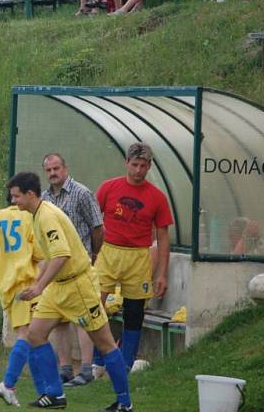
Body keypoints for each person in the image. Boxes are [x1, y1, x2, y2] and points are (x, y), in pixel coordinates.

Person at [8, 172, 133, 411]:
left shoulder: (46, 217)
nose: (13, 201)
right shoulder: (36, 215)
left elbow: (62, 255)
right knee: (35, 334)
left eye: (16, 196)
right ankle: (56, 395)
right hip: (59, 287)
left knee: (105, 344)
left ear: (30, 194)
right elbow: (49, 258)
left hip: (78, 286)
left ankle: (125, 403)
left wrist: (39, 287)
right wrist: (37, 281)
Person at [94, 143, 174, 373]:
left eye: (143, 166)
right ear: (126, 163)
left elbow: (163, 236)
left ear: (149, 166)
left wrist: (161, 274)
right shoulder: (109, 188)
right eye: (135, 164)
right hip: (108, 251)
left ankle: (125, 364)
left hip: (139, 256)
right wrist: (91, 250)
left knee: (134, 311)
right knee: (94, 305)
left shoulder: (157, 197)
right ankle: (98, 361)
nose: (138, 170)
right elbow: (92, 219)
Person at [40, 154, 104, 388]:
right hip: (56, 269)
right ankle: (65, 368)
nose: (52, 173)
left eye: (56, 168)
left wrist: (93, 254)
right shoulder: (44, 199)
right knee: (59, 321)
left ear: (65, 168)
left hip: (79, 267)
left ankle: (86, 369)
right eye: (48, 170)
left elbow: (97, 227)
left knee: (82, 318)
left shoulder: (81, 193)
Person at [0, 195, 43, 407]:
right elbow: (40, 253)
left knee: (34, 336)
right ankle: (8, 383)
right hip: (27, 283)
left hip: (8, 285)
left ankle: (45, 392)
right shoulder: (30, 217)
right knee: (27, 334)